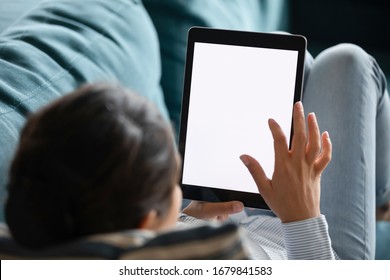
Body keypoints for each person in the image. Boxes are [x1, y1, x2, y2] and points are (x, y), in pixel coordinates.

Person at [4, 47, 390, 260]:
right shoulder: (218, 256)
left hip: (252, 215)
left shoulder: (45, 231)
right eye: (173, 185)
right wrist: (302, 216)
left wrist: (185, 216)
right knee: (348, 62)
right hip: (310, 246)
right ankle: (381, 199)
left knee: (286, 59)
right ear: (145, 221)